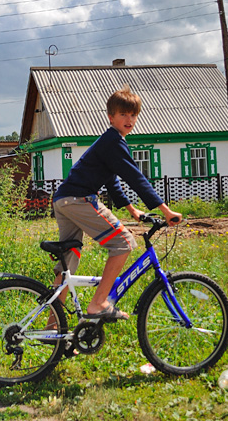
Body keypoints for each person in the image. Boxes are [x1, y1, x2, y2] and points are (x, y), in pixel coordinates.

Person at [49, 85, 182, 322]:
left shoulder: (108, 142)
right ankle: (99, 303)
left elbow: (112, 180)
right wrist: (165, 209)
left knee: (69, 260)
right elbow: (134, 176)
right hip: (79, 199)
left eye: (133, 115)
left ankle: (54, 330)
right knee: (124, 243)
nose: (129, 119)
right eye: (123, 115)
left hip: (63, 200)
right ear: (111, 117)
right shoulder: (114, 141)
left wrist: (132, 210)